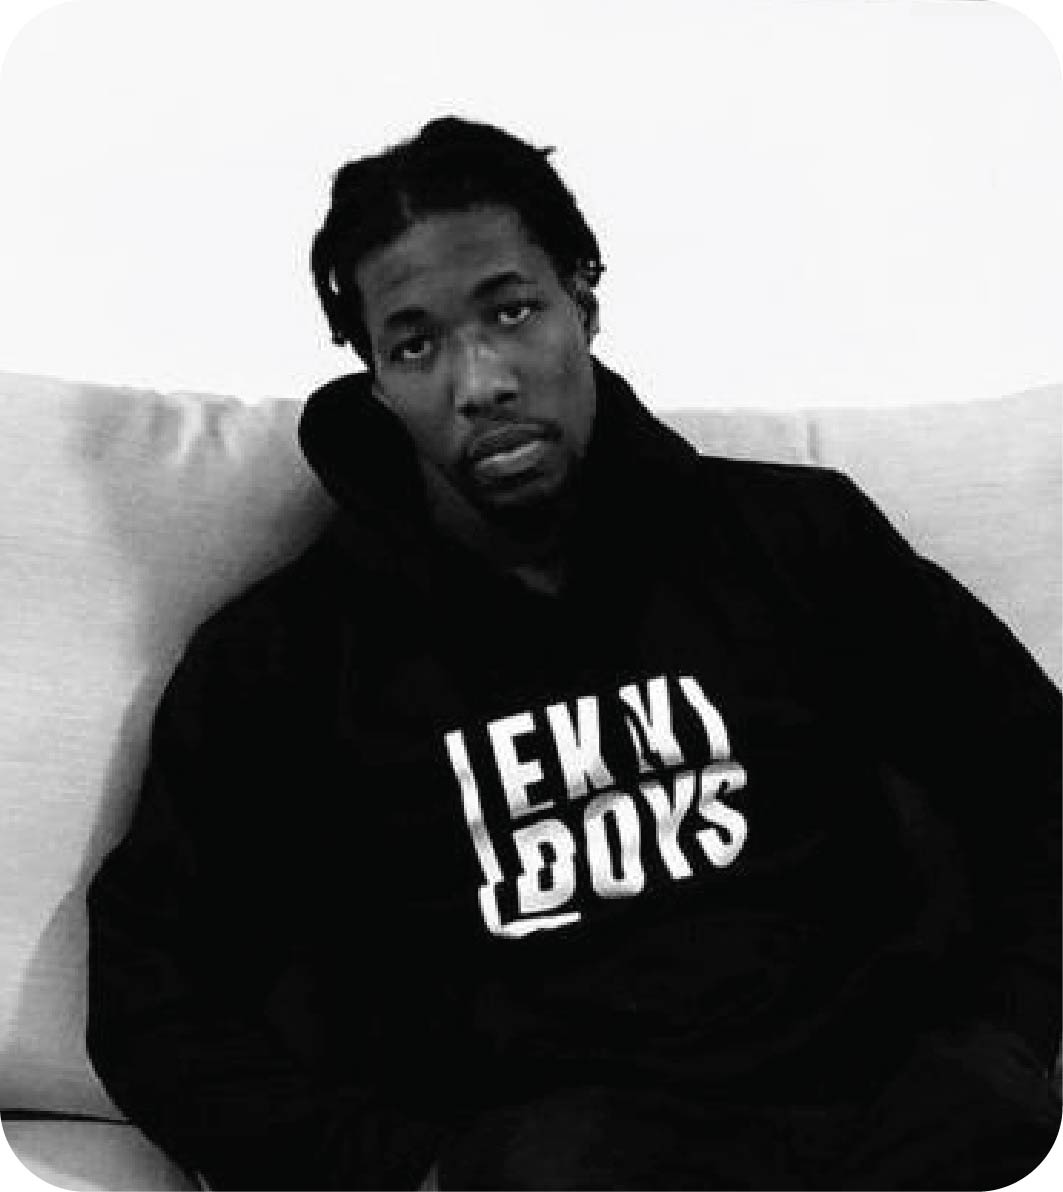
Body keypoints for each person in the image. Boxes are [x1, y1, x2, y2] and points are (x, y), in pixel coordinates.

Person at [86, 116, 1061, 1190]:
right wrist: (415, 1173)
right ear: (376, 380)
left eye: (509, 311)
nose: (480, 381)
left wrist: (1003, 1043)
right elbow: (151, 998)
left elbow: (1037, 776)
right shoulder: (283, 662)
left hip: (880, 1142)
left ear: (582, 305)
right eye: (414, 344)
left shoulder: (797, 540)